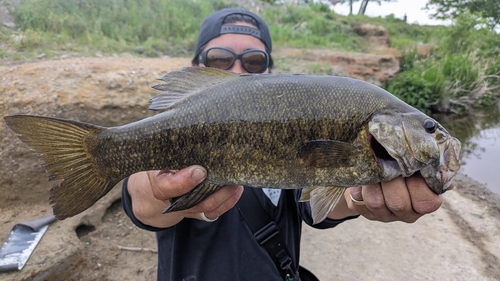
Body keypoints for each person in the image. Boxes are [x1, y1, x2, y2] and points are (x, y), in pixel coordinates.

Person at [122, 8, 448, 281]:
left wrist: (359, 198)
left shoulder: (302, 122)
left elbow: (323, 203)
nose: (238, 70)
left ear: (269, 71)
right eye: (219, 59)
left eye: (252, 61)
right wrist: (153, 188)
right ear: (196, 68)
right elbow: (142, 200)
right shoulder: (170, 129)